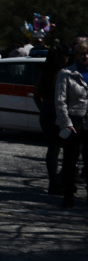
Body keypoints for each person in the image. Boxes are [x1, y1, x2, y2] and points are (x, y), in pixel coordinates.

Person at [55, 40, 88, 208]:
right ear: (76, 56)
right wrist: (66, 123)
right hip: (74, 121)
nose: (86, 57)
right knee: (70, 160)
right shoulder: (66, 73)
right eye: (82, 54)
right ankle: (68, 193)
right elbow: (60, 101)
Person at [35, 46, 68, 195]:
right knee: (68, 149)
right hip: (60, 114)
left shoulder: (45, 73)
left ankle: (53, 181)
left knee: (53, 149)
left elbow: (36, 95)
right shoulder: (64, 74)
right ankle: (58, 180)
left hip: (47, 112)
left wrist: (43, 109)